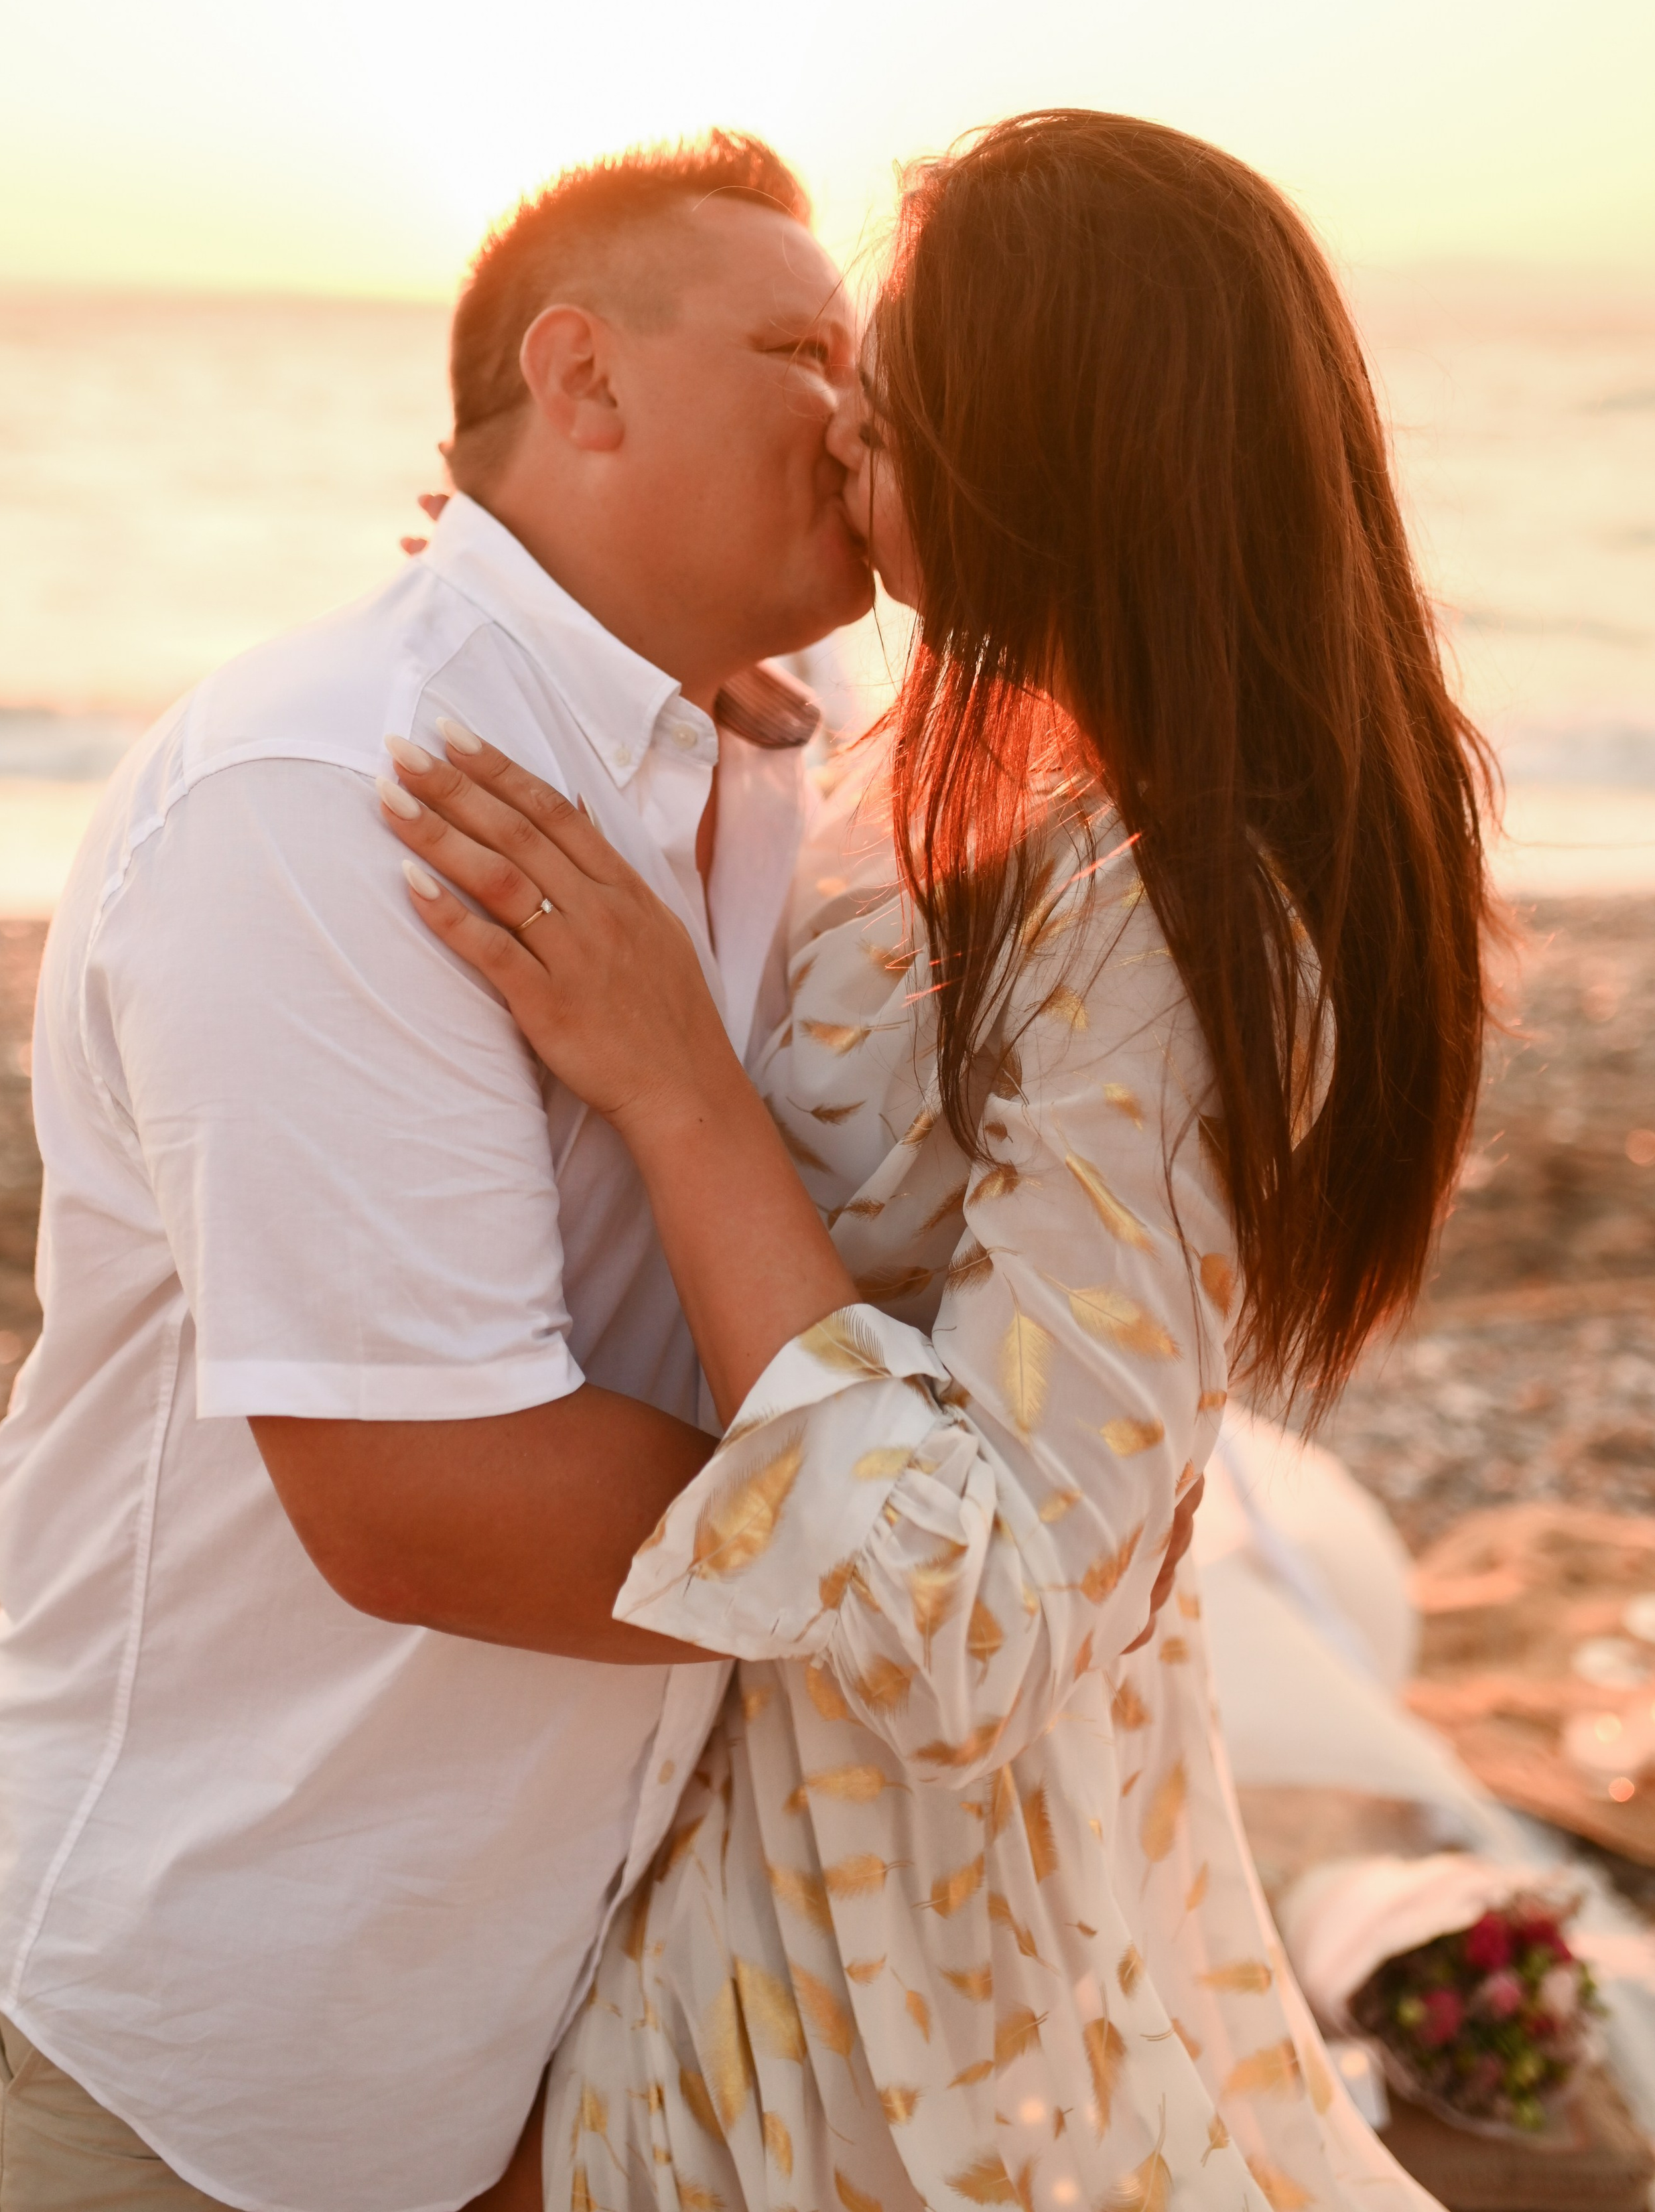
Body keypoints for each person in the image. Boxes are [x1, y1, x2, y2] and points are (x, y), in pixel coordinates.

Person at [378, 110, 1492, 2211]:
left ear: (1053, 468)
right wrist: (568, 581)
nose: (833, 449)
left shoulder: (1177, 923)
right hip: (733, 1815)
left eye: (882, 420)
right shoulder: (946, 755)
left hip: (896, 1938)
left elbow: (979, 1621)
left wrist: (682, 1095)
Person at [0, 133, 878, 2212]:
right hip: (249, 2034)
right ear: (586, 379)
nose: (866, 407)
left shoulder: (802, 754)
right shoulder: (342, 794)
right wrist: (946, 1553)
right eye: (808, 347)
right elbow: (432, 1504)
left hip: (580, 2008)